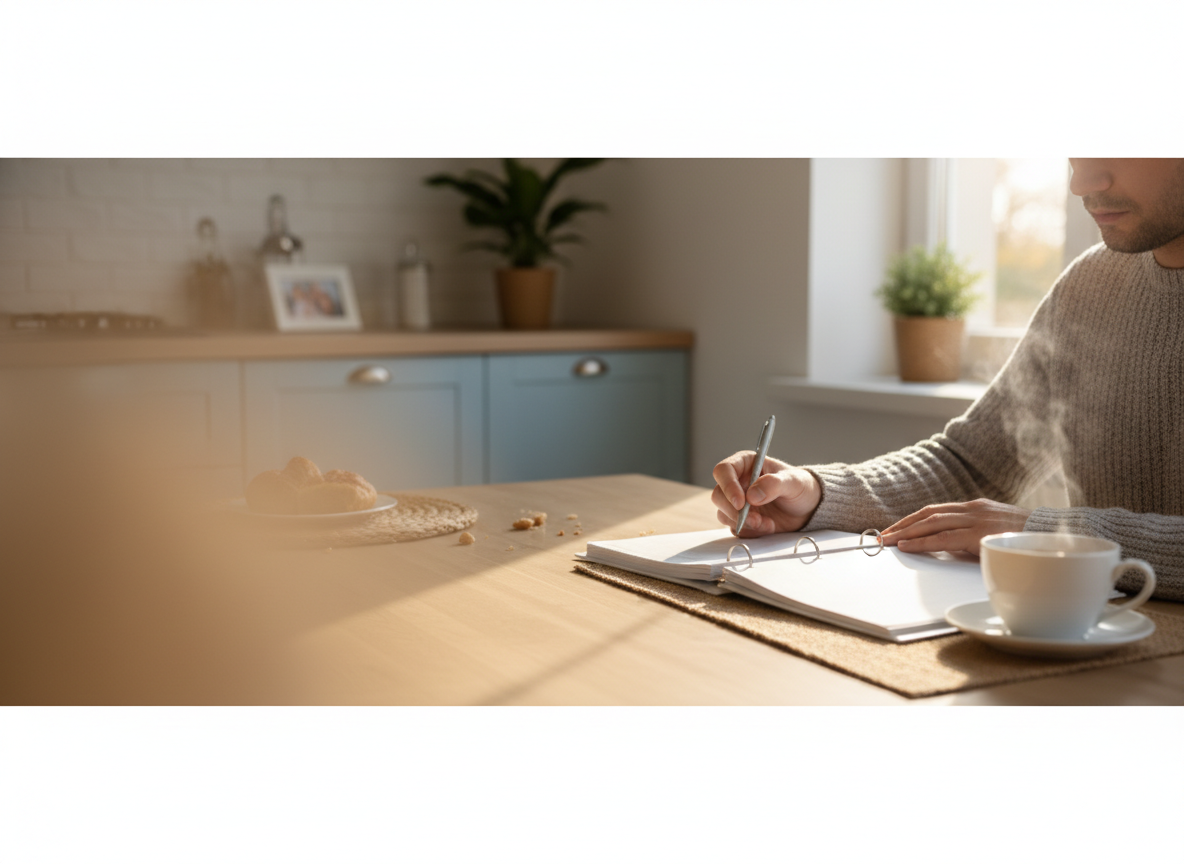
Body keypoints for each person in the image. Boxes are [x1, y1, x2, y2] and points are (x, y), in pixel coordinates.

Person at [712, 158, 1184, 601]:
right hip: (1094, 634)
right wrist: (817, 495)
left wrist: (1041, 535)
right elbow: (970, 465)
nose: (1081, 183)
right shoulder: (1093, 286)